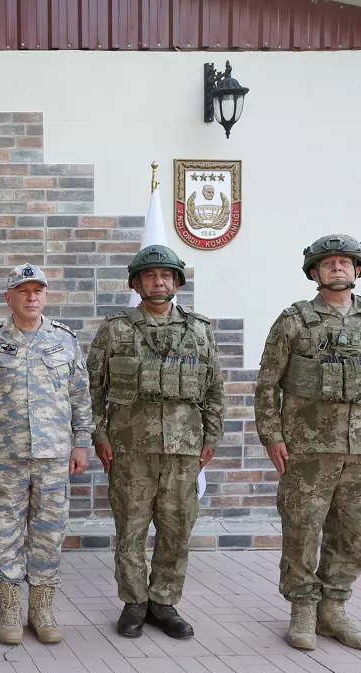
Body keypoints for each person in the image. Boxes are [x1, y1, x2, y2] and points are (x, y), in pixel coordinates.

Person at [255, 235, 361, 651]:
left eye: (345, 262)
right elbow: (267, 385)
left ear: (358, 270)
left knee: (351, 531)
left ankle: (334, 609)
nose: (337, 268)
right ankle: (302, 608)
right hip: (307, 449)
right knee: (301, 527)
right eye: (329, 263)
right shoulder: (293, 321)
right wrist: (272, 436)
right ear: (314, 272)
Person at [86, 245, 225, 640]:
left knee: (176, 529)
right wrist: (99, 435)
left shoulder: (199, 330)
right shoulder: (116, 330)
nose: (158, 282)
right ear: (136, 283)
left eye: (166, 275)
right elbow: (92, 389)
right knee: (130, 528)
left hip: (184, 449)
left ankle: (164, 602)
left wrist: (212, 436)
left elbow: (214, 389)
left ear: (177, 282)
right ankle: (134, 602)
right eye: (150, 275)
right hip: (130, 449)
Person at [0, 264, 91, 645]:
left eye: (38, 290)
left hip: (54, 455)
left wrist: (82, 441)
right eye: (23, 291)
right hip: (5, 456)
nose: (31, 297)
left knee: (49, 534)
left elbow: (80, 395)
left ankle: (42, 610)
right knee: (6, 533)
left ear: (46, 296)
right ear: (9, 297)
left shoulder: (65, 340)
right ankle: (9, 611)